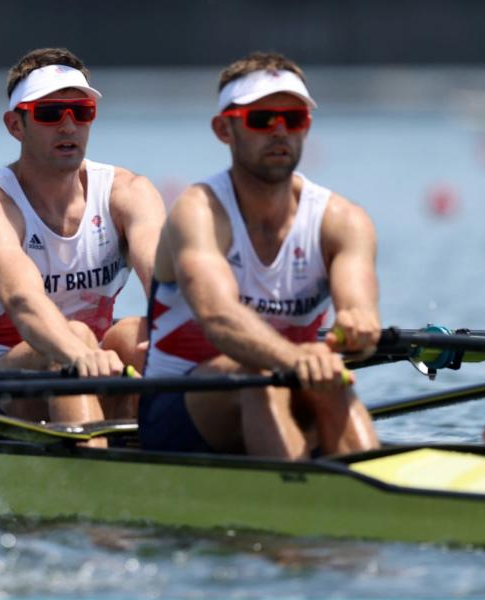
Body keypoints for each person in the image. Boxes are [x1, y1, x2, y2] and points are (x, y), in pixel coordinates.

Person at [140, 51, 380, 459]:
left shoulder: (343, 220)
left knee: (331, 376)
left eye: (294, 119)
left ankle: (375, 490)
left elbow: (358, 309)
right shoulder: (199, 212)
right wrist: (295, 360)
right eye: (262, 120)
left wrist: (361, 329)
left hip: (288, 384)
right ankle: (298, 499)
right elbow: (219, 319)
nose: (280, 131)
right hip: (178, 410)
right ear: (224, 130)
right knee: (260, 375)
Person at [0, 47, 166, 430]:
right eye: (50, 114)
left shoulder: (129, 193)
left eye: (81, 113)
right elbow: (24, 300)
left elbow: (165, 286)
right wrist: (75, 352)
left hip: (92, 367)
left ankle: (142, 464)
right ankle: (95, 469)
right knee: (73, 335)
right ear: (15, 125)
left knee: (137, 334)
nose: (69, 127)